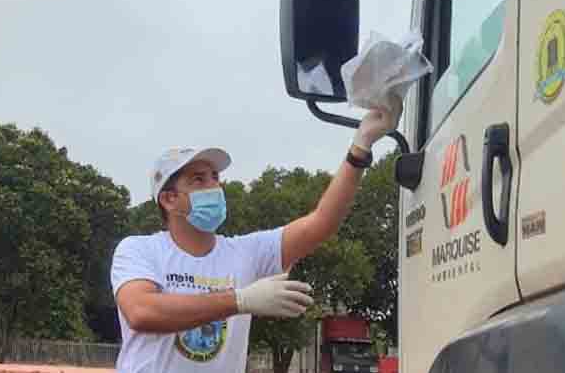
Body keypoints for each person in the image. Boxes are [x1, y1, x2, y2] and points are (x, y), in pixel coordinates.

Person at [110, 103, 400, 373]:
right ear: (170, 200)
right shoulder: (139, 250)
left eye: (215, 177)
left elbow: (321, 222)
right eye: (199, 179)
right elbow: (141, 312)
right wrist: (240, 300)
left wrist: (360, 147)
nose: (214, 186)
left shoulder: (243, 252)